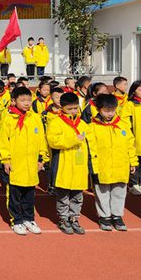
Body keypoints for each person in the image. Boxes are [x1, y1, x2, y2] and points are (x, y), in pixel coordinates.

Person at [0, 87, 48, 236]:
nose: (27, 103)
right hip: (15, 164)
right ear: (13, 101)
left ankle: (28, 218)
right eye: (23, 100)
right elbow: (2, 142)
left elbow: (41, 139)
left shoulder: (35, 118)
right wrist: (5, 159)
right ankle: (16, 220)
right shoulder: (8, 118)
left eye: (28, 100)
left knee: (29, 194)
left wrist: (41, 158)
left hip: (31, 164)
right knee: (14, 195)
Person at [47, 93, 97, 235]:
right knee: (63, 195)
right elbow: (53, 141)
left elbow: (91, 143)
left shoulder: (82, 124)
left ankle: (74, 217)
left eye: (76, 108)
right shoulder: (56, 122)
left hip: (79, 166)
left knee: (77, 195)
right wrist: (74, 139)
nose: (74, 111)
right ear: (62, 108)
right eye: (70, 109)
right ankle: (63, 219)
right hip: (63, 164)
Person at [91, 94, 137, 232]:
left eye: (112, 110)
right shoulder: (92, 127)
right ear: (99, 109)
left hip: (120, 165)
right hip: (102, 166)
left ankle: (117, 216)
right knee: (102, 191)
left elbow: (130, 145)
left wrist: (133, 162)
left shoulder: (123, 126)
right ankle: (104, 216)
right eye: (106, 110)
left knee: (119, 191)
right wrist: (92, 166)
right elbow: (91, 148)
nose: (110, 113)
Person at [122, 80, 141, 196]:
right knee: (135, 163)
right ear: (134, 91)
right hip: (135, 139)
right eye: (140, 90)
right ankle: (134, 184)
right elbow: (125, 122)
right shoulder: (129, 104)